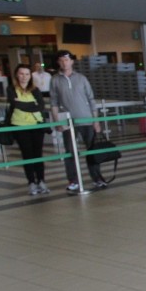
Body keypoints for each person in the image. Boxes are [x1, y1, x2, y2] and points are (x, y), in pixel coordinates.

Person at [49, 50, 106, 192]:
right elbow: (53, 102)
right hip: (68, 123)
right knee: (70, 153)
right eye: (61, 60)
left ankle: (97, 178)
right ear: (58, 62)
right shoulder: (55, 80)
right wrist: (57, 122)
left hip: (87, 120)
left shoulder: (81, 78)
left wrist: (96, 120)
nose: (64, 63)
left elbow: (91, 99)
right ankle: (73, 180)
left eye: (67, 60)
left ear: (72, 62)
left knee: (92, 151)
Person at [7, 64, 49, 196]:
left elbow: (40, 106)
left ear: (30, 76)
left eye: (27, 74)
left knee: (38, 154)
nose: (24, 77)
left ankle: (41, 180)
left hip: (36, 125)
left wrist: (24, 104)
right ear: (16, 75)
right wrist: (32, 105)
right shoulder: (11, 89)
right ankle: (31, 182)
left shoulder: (35, 90)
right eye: (21, 74)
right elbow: (15, 104)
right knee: (27, 154)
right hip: (20, 126)